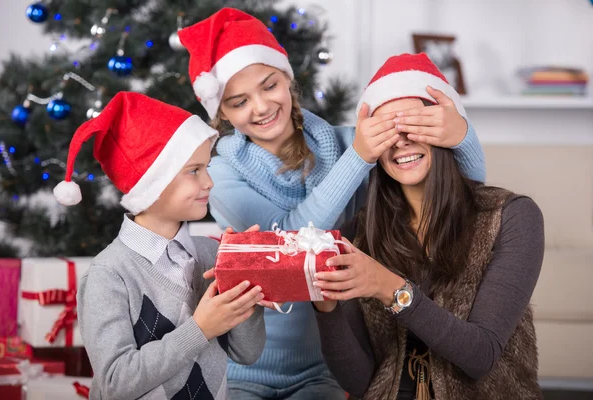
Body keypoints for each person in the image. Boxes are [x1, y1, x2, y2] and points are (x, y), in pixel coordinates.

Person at [178, 8, 486, 399]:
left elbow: (466, 191)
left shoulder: (346, 142)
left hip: (329, 365)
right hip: (243, 366)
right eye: (238, 102)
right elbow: (288, 241)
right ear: (221, 112)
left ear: (288, 80)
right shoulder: (221, 173)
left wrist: (461, 134)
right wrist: (357, 159)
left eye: (269, 85)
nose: (260, 107)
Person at [312, 53, 544, 400]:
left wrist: (389, 288)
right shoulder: (357, 234)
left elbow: (480, 355)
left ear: (444, 131)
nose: (401, 139)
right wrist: (325, 309)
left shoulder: (511, 217)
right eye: (387, 129)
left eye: (414, 125)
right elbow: (361, 383)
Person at [53, 92, 266, 399]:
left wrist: (247, 280)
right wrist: (200, 329)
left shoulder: (211, 254)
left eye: (206, 168)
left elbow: (248, 353)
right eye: (194, 170)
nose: (209, 182)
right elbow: (115, 383)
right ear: (152, 184)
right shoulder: (109, 274)